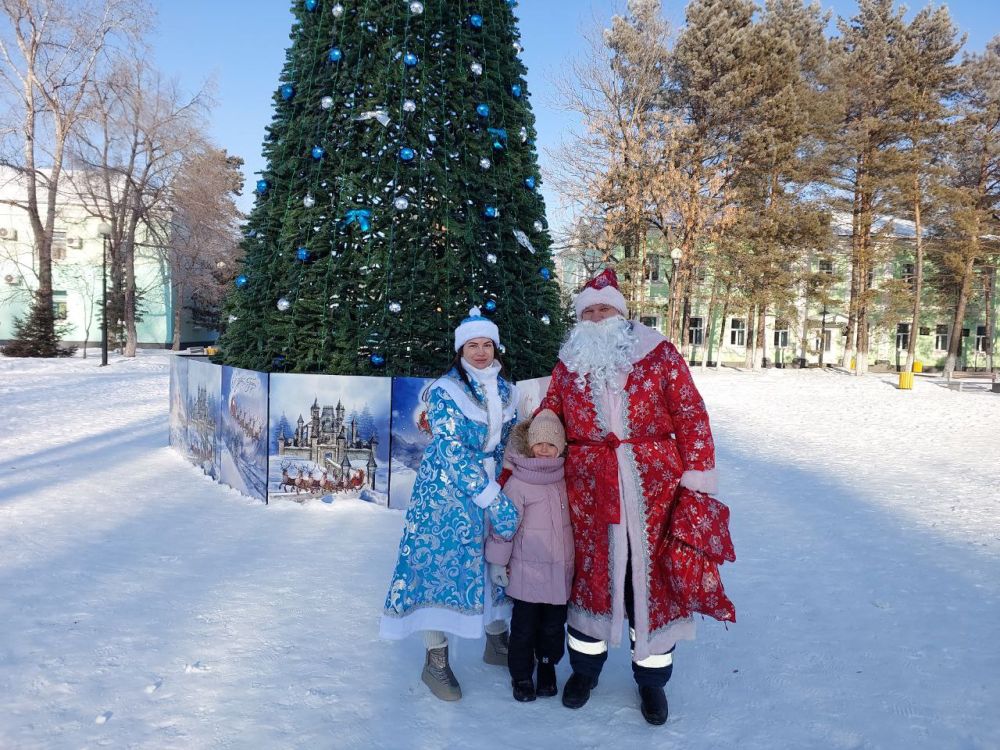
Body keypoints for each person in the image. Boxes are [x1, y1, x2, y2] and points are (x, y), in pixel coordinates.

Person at [537, 268, 718, 726]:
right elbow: (549, 416)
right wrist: (536, 448)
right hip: (589, 491)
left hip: (654, 491)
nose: (597, 318)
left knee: (650, 585)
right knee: (591, 581)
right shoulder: (568, 363)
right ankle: (584, 671)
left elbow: (690, 413)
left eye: (606, 310)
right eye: (589, 311)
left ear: (622, 313)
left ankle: (652, 683)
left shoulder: (659, 355)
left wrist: (696, 477)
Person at [380, 307, 521, 702]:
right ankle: (435, 659)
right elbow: (451, 449)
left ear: (496, 347)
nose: (480, 352)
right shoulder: (445, 391)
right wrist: (492, 496)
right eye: (472, 345)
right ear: (460, 350)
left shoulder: (508, 391)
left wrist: (510, 483)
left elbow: (512, 440)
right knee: (440, 566)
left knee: (492, 559)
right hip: (444, 493)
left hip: (493, 483)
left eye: (486, 344)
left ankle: (497, 640)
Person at [485, 409, 573, 703]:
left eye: (551, 444)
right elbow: (503, 525)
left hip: (559, 575)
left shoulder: (564, 480)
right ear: (529, 446)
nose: (545, 450)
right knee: (523, 629)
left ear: (560, 446)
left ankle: (547, 667)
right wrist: (498, 560)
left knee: (552, 628)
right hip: (527, 575)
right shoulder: (519, 483)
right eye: (539, 444)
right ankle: (521, 675)